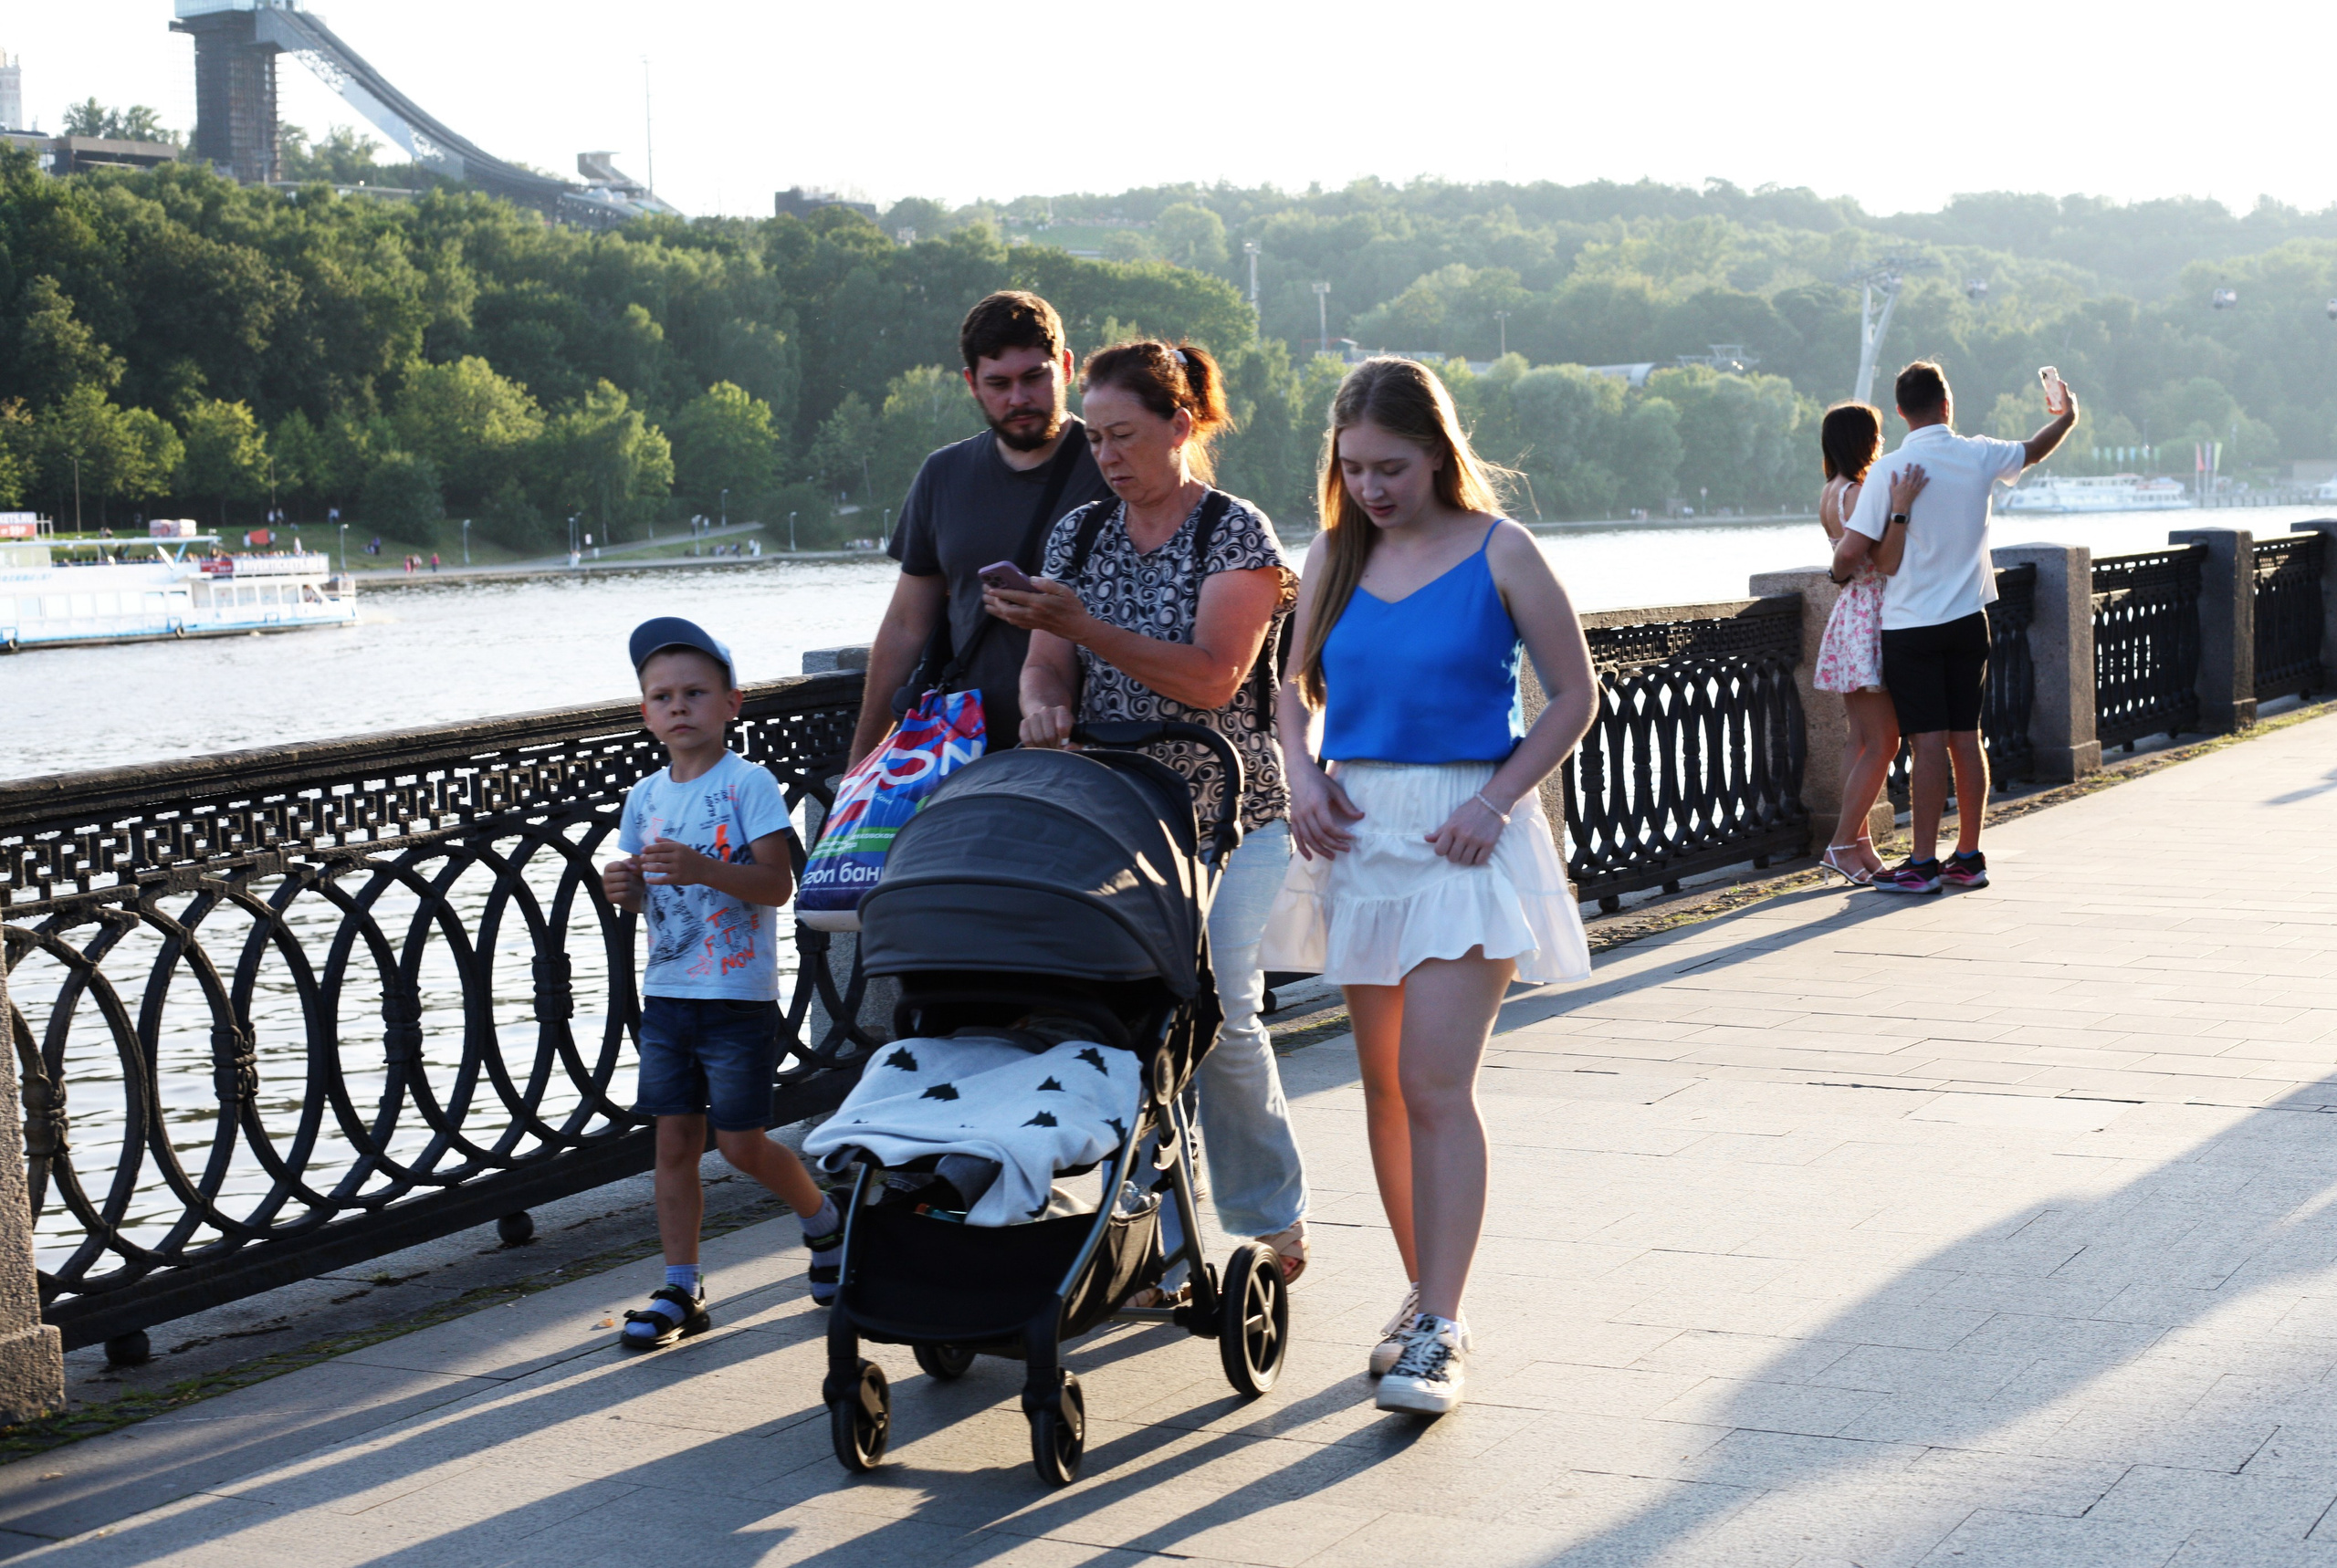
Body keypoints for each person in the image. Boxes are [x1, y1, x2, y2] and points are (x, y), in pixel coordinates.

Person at [1262, 357, 1597, 1416]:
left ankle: (1443, 1331)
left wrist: (1494, 801)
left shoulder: (1503, 549)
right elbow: (1288, 694)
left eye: (1391, 466)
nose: (1371, 486)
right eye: (1352, 467)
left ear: (1439, 452)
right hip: (1360, 835)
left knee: (1437, 1080)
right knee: (1385, 1087)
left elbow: (1573, 696)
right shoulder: (1330, 553)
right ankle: (1420, 1297)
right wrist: (1303, 774)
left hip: (1466, 831)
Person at [990, 340, 1311, 1289]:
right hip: (1115, 810)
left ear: (1181, 425)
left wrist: (1083, 627)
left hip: (1231, 809)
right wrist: (1042, 700)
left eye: (1125, 434)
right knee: (1114, 1014)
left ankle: (1269, 1214)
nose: (1108, 455)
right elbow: (1044, 664)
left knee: (1219, 1009)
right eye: (1094, 438)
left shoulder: (1234, 534)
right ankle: (1145, 1215)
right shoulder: (1079, 536)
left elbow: (1215, 677)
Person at [601, 616, 842, 1347]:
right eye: (662, 696)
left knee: (740, 1144)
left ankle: (825, 1222)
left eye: (696, 693)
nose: (679, 707)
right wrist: (626, 888)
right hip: (669, 995)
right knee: (672, 1142)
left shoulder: (749, 784)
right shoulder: (643, 799)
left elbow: (776, 886)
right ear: (645, 714)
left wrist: (705, 867)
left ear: (732, 703)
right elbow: (653, 893)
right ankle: (681, 1286)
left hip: (736, 999)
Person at [1834, 361, 2077, 894]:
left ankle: (1921, 863)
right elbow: (2035, 447)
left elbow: (1850, 555)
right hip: (1970, 619)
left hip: (1911, 624)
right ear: (1947, 403)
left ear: (1900, 411)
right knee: (1967, 739)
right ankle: (1968, 855)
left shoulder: (1889, 471)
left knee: (1927, 744)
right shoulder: (1979, 454)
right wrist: (2068, 415)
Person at [849, 291, 1117, 767]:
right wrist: (859, 763)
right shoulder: (943, 475)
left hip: (1097, 749)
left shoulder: (1115, 465)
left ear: (1067, 367)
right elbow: (906, 626)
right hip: (966, 754)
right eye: (999, 383)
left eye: (1035, 377)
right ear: (972, 384)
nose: (1018, 398)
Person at [1811, 402, 1927, 883]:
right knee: (1885, 741)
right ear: (1865, 440)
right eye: (1876, 435)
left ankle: (1861, 846)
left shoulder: (1830, 491)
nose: (1881, 442)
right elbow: (1877, 558)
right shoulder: (1859, 492)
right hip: (1872, 612)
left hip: (1850, 613)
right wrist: (1900, 510)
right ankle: (1841, 844)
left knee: (1859, 740)